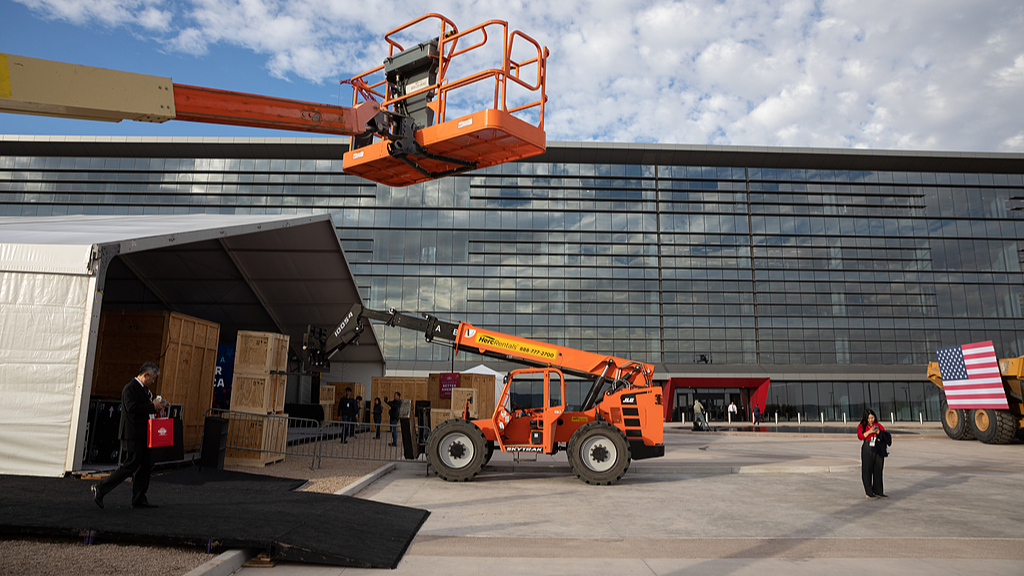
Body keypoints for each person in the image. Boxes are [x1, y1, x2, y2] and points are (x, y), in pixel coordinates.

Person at [91, 362, 167, 510]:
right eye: (153, 378)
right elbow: (131, 407)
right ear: (145, 375)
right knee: (131, 464)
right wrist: (152, 406)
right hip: (132, 433)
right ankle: (101, 488)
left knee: (145, 465)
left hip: (144, 433)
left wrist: (158, 405)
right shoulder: (130, 388)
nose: (153, 381)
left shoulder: (144, 390)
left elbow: (143, 406)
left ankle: (139, 498)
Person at [858, 408, 890, 499]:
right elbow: (860, 436)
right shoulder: (862, 426)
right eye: (869, 418)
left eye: (872, 418)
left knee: (878, 469)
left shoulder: (878, 425)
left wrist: (879, 432)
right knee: (867, 469)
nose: (871, 420)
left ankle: (878, 491)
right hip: (868, 447)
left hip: (878, 446)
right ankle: (869, 492)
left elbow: (885, 435)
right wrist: (869, 431)